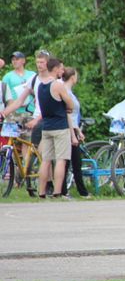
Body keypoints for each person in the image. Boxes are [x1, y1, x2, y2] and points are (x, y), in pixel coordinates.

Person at [33, 58, 75, 198]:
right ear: (55, 68)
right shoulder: (57, 85)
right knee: (61, 159)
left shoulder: (40, 86)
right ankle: (57, 191)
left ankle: (42, 191)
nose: (62, 71)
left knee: (46, 160)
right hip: (60, 126)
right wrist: (67, 108)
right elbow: (70, 104)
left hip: (46, 126)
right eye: (61, 68)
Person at [62, 67, 91, 198]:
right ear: (73, 77)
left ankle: (75, 190)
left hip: (73, 127)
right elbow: (68, 114)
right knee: (72, 161)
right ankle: (75, 191)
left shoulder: (69, 92)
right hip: (69, 128)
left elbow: (73, 115)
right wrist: (73, 133)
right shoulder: (66, 92)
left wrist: (78, 130)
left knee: (73, 161)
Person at [2, 51, 36, 117]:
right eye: (13, 60)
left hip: (31, 109)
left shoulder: (32, 74)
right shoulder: (7, 76)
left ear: (23, 61)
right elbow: (4, 94)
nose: (14, 61)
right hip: (14, 111)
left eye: (17, 59)